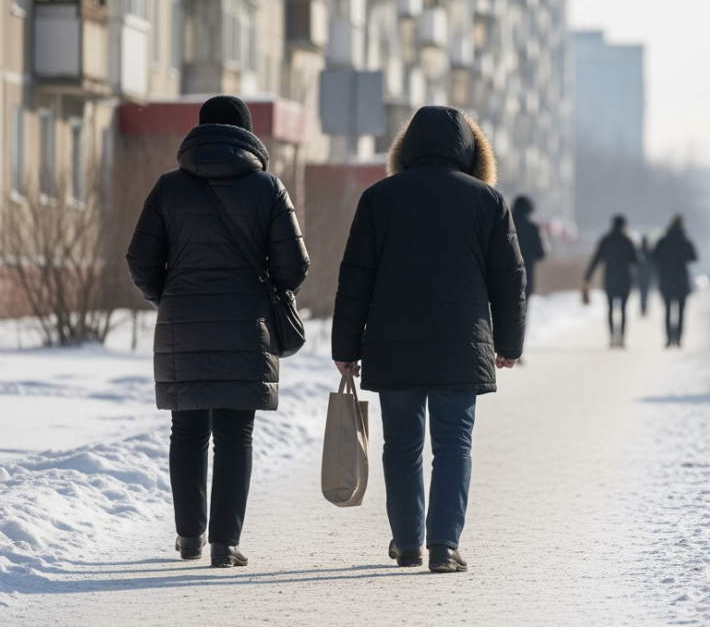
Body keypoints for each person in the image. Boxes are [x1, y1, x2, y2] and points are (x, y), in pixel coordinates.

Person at [331, 106, 525, 573]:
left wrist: (345, 347)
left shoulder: (379, 198)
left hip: (393, 344)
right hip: (461, 343)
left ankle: (407, 543)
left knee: (401, 446)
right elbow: (509, 278)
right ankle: (444, 545)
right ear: (471, 150)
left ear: (406, 148)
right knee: (454, 444)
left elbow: (355, 277)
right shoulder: (488, 201)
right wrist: (510, 341)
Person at [126, 96, 309, 568]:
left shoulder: (169, 188)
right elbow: (293, 267)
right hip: (246, 328)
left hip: (181, 326)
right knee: (234, 432)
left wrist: (169, 296)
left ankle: (189, 538)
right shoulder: (267, 189)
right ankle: (226, 544)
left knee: (186, 430)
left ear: (200, 132)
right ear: (248, 135)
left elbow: (139, 260)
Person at [583, 215, 639, 348]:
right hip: (625, 279)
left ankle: (612, 337)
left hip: (610, 278)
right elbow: (636, 261)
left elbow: (596, 259)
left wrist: (587, 276)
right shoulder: (628, 240)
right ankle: (622, 339)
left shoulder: (606, 240)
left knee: (610, 309)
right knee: (624, 309)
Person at [653, 215, 698, 347]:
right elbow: (694, 257)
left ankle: (668, 339)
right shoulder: (685, 241)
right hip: (681, 281)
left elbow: (655, 258)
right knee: (681, 312)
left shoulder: (663, 241)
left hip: (666, 280)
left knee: (667, 310)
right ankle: (678, 339)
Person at [512, 196, 546, 306]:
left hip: (503, 276)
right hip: (525, 275)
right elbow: (541, 253)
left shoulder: (503, 225)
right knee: (522, 312)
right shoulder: (533, 229)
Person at [637, 237, 654, 316]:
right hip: (647, 276)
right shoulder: (649, 252)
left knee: (642, 293)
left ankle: (643, 307)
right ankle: (644, 307)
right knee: (645, 292)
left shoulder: (638, 252)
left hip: (640, 276)